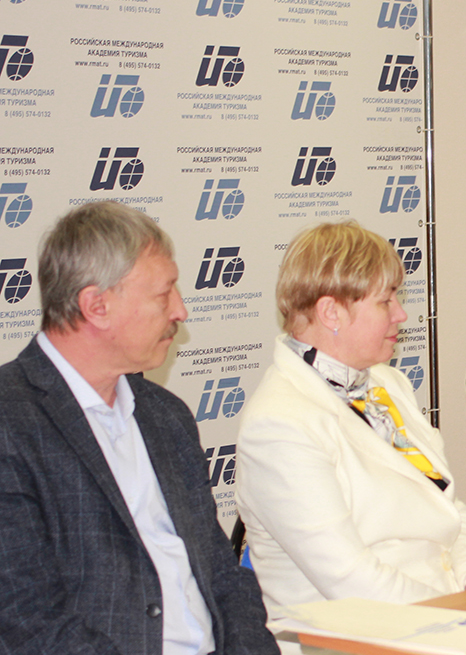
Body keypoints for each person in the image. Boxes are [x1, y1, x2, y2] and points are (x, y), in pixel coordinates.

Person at [0, 201, 278, 655]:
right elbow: (26, 620)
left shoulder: (166, 415)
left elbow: (222, 574)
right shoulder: (11, 421)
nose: (181, 310)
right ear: (97, 306)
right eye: (164, 294)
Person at [235, 221, 466, 614]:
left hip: (443, 612)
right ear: (331, 312)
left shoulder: (387, 383)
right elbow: (349, 577)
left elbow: (446, 503)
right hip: (353, 630)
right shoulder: (279, 423)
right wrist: (462, 616)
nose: (402, 314)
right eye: (385, 301)